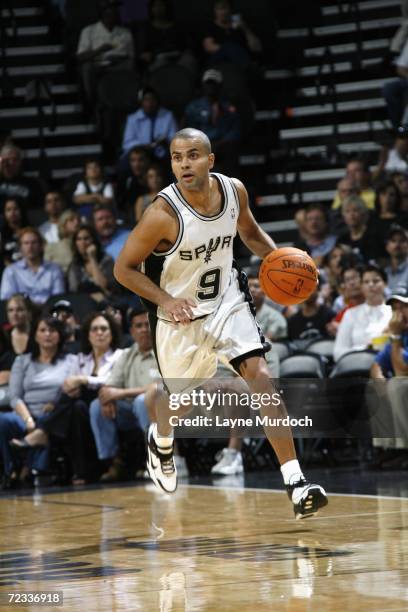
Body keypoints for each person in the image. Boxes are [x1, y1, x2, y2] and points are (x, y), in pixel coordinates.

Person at [114, 127, 328, 518]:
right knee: (182, 401)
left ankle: (297, 483)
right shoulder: (161, 214)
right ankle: (160, 437)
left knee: (261, 376)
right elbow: (122, 269)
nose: (184, 164)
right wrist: (165, 299)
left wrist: (284, 262)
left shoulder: (233, 191)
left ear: (210, 160)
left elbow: (248, 231)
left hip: (227, 299)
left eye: (192, 155)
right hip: (178, 316)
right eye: (177, 158)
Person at [12, 312, 123, 485]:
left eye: (104, 329)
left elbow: (112, 379)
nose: (99, 333)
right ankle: (66, 466)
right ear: (87, 334)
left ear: (112, 333)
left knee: (76, 404)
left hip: (106, 405)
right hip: (77, 410)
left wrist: (83, 379)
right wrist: (61, 397)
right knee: (75, 405)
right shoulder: (81, 359)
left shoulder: (120, 355)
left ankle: (42, 434)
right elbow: (69, 386)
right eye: (95, 329)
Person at [89, 307, 164, 481]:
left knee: (142, 401)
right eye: (138, 326)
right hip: (128, 410)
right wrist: (106, 398)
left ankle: (157, 458)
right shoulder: (126, 355)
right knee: (96, 406)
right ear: (131, 331)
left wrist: (120, 393)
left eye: (147, 324)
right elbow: (109, 387)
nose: (144, 329)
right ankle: (114, 462)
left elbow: (163, 387)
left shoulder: (164, 351)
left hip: (161, 407)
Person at [0, 316, 75, 489]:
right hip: (25, 413)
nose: (47, 334)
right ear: (35, 335)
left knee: (53, 418)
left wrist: (55, 404)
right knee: (2, 421)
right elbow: (14, 397)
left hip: (53, 413)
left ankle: (33, 470)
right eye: (42, 330)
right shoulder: (22, 361)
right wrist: (28, 420)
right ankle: (10, 470)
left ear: (60, 335)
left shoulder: (70, 360)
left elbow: (70, 390)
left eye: (52, 330)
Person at [370, 286, 408, 469]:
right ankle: (389, 448)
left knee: (397, 385)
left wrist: (395, 335)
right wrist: (378, 377)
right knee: (375, 386)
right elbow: (377, 364)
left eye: (403, 307)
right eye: (395, 309)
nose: (398, 314)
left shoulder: (398, 335)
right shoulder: (402, 334)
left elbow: (402, 370)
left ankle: (404, 449)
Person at [76, 0, 134, 109]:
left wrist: (119, 59)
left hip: (119, 66)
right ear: (102, 11)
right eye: (110, 8)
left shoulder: (125, 32)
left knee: (130, 64)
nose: (113, 11)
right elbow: (80, 57)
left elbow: (131, 57)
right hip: (98, 65)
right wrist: (100, 50)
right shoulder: (89, 31)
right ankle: (93, 105)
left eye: (115, 9)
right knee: (87, 68)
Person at [183, 69, 241, 176]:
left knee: (231, 151)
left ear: (220, 86)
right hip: (201, 145)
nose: (211, 87)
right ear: (203, 85)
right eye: (208, 84)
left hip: (223, 144)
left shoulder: (229, 107)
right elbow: (188, 130)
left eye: (214, 84)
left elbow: (235, 131)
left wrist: (220, 143)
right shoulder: (193, 107)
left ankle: (231, 188)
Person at [333, 264, 392, 362]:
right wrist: (366, 349)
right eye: (366, 282)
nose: (371, 285)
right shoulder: (350, 314)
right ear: (361, 286)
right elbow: (338, 353)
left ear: (385, 284)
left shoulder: (393, 311)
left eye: (376, 281)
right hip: (357, 369)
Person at [0, 227, 65, 304]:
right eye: (26, 243)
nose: (30, 247)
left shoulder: (54, 269)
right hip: (22, 313)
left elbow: (59, 298)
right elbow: (6, 300)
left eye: (34, 242)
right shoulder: (11, 271)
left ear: (41, 246)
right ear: (20, 247)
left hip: (48, 312)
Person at [122, 87, 178, 159]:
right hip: (139, 155)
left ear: (157, 101)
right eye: (146, 100)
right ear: (141, 102)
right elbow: (127, 144)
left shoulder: (168, 116)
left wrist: (166, 141)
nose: (149, 103)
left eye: (152, 99)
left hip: (161, 153)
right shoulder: (133, 118)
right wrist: (144, 146)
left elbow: (175, 140)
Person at [202, 0, 262, 68]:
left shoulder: (238, 26)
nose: (223, 12)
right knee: (229, 47)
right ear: (215, 11)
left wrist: (245, 29)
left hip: (239, 61)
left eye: (225, 8)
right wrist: (228, 48)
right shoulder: (211, 27)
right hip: (219, 61)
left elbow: (256, 47)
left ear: (230, 10)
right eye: (219, 9)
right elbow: (209, 47)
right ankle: (248, 66)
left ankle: (248, 66)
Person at [67, 224, 119, 301]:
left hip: (107, 301)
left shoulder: (106, 260)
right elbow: (74, 291)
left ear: (93, 240)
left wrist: (92, 258)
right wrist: (91, 296)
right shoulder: (75, 264)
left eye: (86, 238)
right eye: (79, 239)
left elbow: (104, 285)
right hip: (84, 303)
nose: (83, 242)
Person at [0, 143, 44, 213]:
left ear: (20, 162)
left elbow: (39, 208)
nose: (10, 163)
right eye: (6, 160)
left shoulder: (32, 183)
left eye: (15, 159)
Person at [336, 195, 381, 262]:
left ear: (363, 213)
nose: (351, 214)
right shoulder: (342, 239)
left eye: (355, 210)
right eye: (347, 211)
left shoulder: (373, 235)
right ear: (343, 216)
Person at [247, 273, 287, 340]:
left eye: (256, 286)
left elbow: (267, 341)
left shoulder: (275, 317)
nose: (251, 290)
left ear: (265, 291)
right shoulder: (236, 315)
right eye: (248, 287)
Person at [43, 209, 80, 273]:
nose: (77, 222)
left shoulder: (86, 245)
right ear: (63, 225)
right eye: (71, 220)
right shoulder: (52, 248)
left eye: (78, 220)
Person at [0, 197, 27, 265]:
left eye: (16, 209)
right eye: (8, 210)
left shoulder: (31, 231)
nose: (12, 212)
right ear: (4, 213)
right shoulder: (1, 234)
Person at [384, 225, 408, 292]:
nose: (397, 244)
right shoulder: (382, 271)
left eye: (402, 240)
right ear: (387, 246)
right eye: (393, 240)